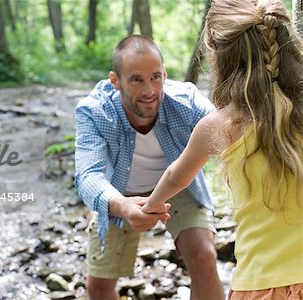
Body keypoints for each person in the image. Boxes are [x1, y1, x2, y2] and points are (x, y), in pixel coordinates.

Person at [142, 0, 303, 299]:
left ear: (220, 58)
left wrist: (152, 204)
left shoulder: (219, 126)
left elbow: (177, 176)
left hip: (260, 283)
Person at [75, 34, 224, 299]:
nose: (149, 91)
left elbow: (227, 129)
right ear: (115, 81)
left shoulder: (186, 101)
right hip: (119, 193)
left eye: (156, 77)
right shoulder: (94, 111)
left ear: (164, 74)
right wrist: (123, 206)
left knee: (204, 256)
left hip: (180, 187)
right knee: (98, 288)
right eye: (136, 80)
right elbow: (88, 177)